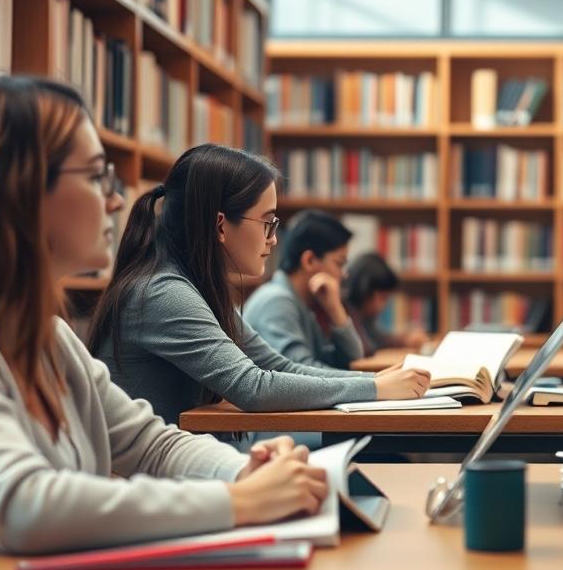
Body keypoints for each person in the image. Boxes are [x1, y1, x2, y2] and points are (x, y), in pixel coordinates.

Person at [0, 75, 333, 557]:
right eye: (97, 177)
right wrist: (237, 501)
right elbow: (23, 505)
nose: (116, 200)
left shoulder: (47, 335)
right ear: (18, 190)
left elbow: (150, 443)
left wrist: (244, 471)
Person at [87, 144, 429, 429]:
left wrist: (377, 383)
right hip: (159, 486)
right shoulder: (162, 292)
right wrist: (374, 388)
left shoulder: (197, 289)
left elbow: (279, 367)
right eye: (267, 222)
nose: (274, 238)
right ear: (221, 226)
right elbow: (253, 387)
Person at [243, 210, 365, 367]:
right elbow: (301, 373)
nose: (344, 274)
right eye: (339, 263)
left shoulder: (299, 302)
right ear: (309, 261)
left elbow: (352, 361)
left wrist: (336, 310)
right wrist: (372, 381)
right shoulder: (276, 302)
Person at [342, 252, 429, 357]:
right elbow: (367, 348)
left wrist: (403, 340)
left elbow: (377, 338)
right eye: (383, 297)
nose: (385, 305)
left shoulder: (365, 316)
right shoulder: (345, 312)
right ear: (364, 290)